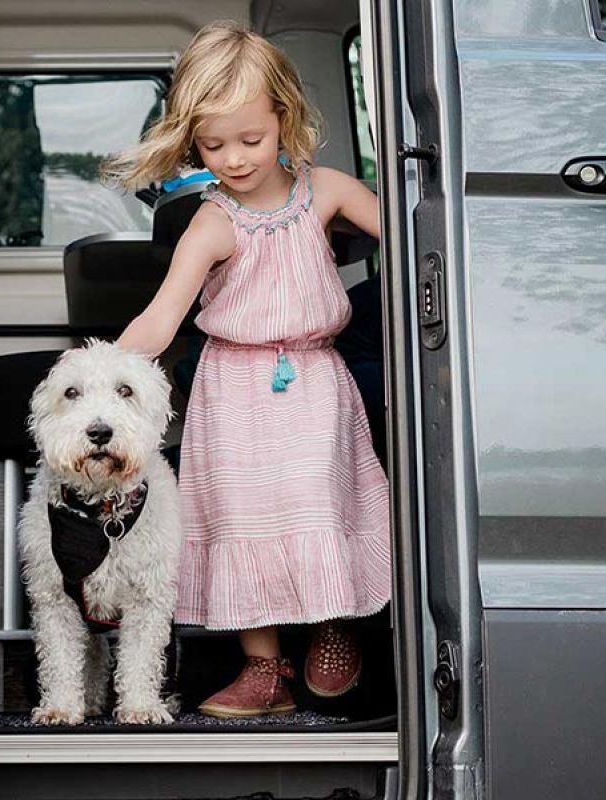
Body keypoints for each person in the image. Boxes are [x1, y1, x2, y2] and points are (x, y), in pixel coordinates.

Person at [106, 20, 391, 718]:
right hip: (231, 390)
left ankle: (334, 628)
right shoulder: (211, 223)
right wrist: (101, 381)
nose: (232, 159)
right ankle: (263, 668)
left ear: (283, 120)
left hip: (315, 383)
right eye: (212, 145)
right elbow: (160, 318)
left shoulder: (325, 191)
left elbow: (421, 237)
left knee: (321, 503)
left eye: (250, 140)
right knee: (239, 520)